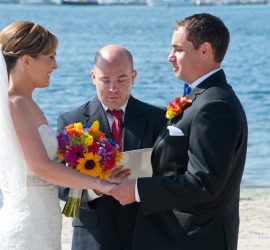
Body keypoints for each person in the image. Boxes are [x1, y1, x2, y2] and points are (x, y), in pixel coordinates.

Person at [109, 13, 248, 250]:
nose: (169, 57)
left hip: (195, 239)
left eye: (178, 50)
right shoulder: (201, 97)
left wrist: (138, 190)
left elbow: (203, 183)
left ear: (205, 50)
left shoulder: (215, 106)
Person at [0, 21, 118, 250]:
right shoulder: (17, 104)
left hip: (42, 220)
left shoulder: (24, 103)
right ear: (27, 60)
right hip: (29, 226)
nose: (55, 65)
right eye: (50, 57)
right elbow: (41, 167)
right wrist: (101, 184)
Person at [58, 44, 167, 250]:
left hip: (145, 233)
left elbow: (170, 176)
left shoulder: (158, 119)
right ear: (93, 77)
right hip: (94, 237)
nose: (113, 88)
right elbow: (62, 185)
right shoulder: (72, 121)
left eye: (121, 80)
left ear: (133, 77)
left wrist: (137, 188)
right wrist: (97, 188)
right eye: (105, 80)